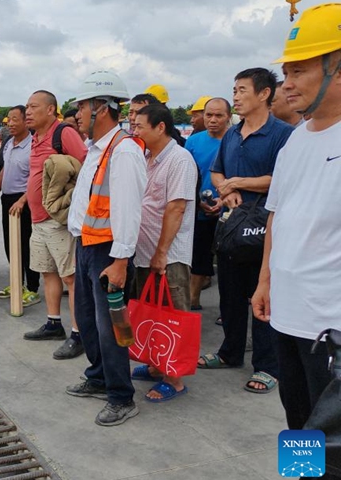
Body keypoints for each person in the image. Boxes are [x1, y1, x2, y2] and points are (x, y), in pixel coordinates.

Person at [252, 2, 341, 435]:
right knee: (298, 428)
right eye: (285, 73)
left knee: (334, 447)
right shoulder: (295, 142)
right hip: (288, 316)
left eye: (298, 72)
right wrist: (266, 280)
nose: (285, 85)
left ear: (338, 70)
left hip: (332, 330)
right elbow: (277, 217)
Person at [199, 68, 294, 395]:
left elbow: (282, 179)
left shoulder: (283, 134)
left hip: (265, 229)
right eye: (234, 90)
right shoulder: (232, 134)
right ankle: (230, 352)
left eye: (241, 90)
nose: (236, 96)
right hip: (231, 226)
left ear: (264, 94)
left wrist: (239, 183)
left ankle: (268, 366)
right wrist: (226, 190)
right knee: (230, 295)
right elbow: (217, 172)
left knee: (263, 296)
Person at [66, 70, 147, 426]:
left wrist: (120, 261)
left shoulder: (124, 151)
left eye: (82, 106)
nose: (78, 114)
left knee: (112, 325)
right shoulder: (96, 149)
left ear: (101, 108)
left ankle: (120, 396)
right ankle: (99, 376)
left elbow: (129, 210)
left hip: (108, 252)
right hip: (87, 246)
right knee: (88, 320)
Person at [131, 104, 198, 402]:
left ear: (160, 127)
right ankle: (158, 366)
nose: (135, 131)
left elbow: (176, 207)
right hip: (145, 251)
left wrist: (162, 252)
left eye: (140, 126)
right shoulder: (147, 157)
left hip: (168, 255)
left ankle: (175, 378)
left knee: (174, 313)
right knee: (153, 312)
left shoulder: (179, 160)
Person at [23, 90, 88, 361]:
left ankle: (78, 334)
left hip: (58, 221)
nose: (28, 111)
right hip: (38, 220)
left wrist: (68, 202)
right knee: (48, 272)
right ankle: (53, 323)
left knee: (70, 278)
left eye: (33, 106)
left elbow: (86, 168)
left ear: (51, 110)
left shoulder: (64, 133)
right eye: (26, 106)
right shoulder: (35, 138)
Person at [186, 98, 231, 310]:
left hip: (230, 210)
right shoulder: (194, 141)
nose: (213, 120)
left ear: (228, 117)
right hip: (200, 209)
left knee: (228, 261)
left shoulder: (235, 140)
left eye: (219, 116)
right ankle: (193, 299)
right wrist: (196, 202)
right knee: (199, 254)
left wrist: (223, 200)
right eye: (209, 115)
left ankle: (228, 307)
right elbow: (187, 175)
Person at [0, 105, 40, 307]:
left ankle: (32, 288)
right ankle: (16, 283)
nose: (10, 123)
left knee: (26, 245)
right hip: (8, 199)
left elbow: (36, 178)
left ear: (25, 121)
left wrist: (23, 201)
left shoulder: (34, 145)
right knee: (10, 243)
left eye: (15, 119)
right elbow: (3, 171)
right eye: (8, 120)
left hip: (25, 201)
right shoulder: (8, 143)